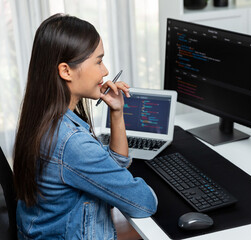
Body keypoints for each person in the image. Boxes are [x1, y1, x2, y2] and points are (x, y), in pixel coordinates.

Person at [13, 13, 157, 239]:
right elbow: (144, 203)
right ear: (66, 71)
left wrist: (117, 113)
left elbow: (115, 165)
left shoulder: (43, 118)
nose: (106, 71)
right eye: (99, 61)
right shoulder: (72, 142)